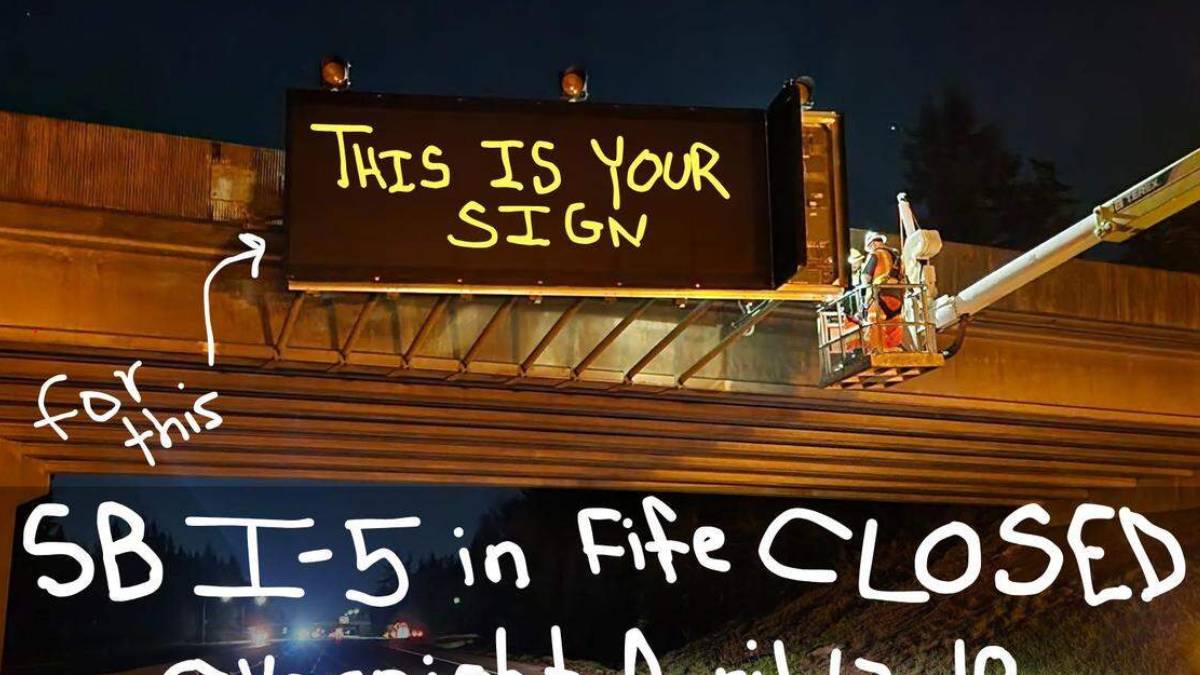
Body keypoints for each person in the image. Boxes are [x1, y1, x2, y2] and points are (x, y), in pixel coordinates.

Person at [859, 231, 905, 352]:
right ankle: (893, 347)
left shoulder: (876, 254)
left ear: (872, 244)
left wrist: (865, 297)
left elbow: (865, 277)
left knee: (873, 319)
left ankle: (878, 348)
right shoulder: (897, 257)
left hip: (881, 295)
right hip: (898, 297)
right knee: (893, 323)